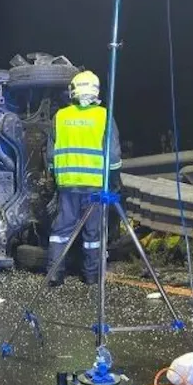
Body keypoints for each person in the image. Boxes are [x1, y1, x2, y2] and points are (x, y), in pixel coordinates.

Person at [47, 70, 122, 286]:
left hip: (67, 184)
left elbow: (51, 156)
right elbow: (114, 156)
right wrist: (114, 179)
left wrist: (55, 176)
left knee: (61, 231)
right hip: (95, 185)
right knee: (93, 233)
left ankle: (54, 274)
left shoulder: (60, 117)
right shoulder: (104, 116)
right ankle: (92, 275)